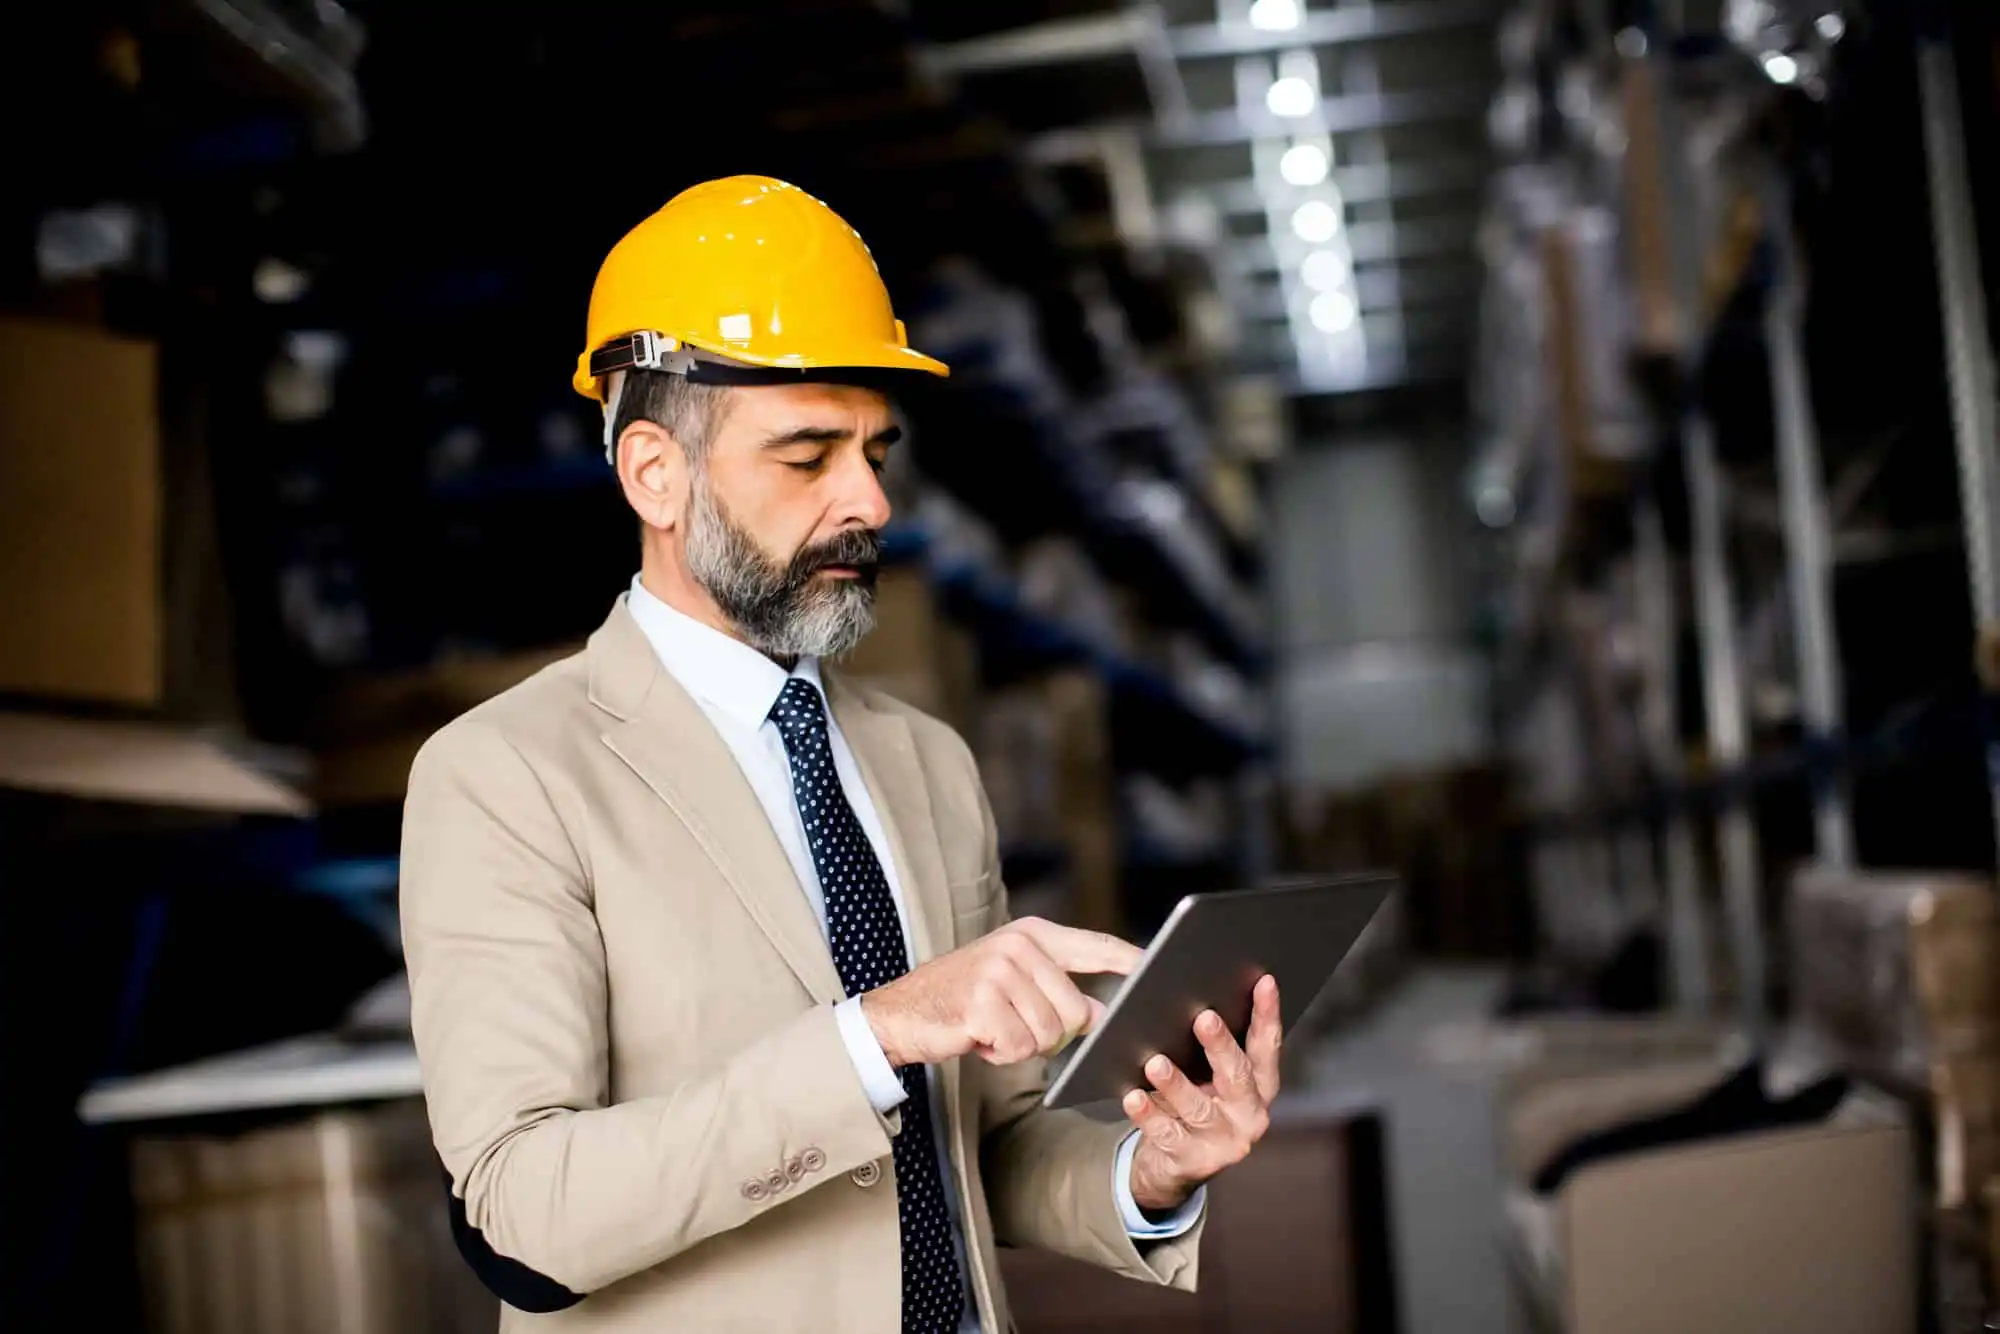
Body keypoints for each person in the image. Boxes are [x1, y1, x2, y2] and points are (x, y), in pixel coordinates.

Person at [401, 175, 1283, 1333]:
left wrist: (1146, 1171)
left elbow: (980, 1143)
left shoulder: (925, 761)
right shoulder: (505, 776)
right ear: (654, 473)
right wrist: (873, 1034)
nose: (869, 498)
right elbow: (525, 1211)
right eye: (807, 454)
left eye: (873, 450)